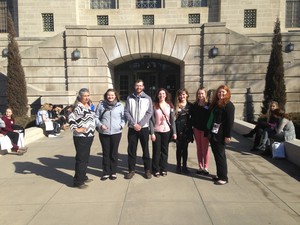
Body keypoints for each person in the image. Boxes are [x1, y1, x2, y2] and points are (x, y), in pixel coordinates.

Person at [124, 79, 153, 179]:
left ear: (143, 87)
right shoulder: (129, 98)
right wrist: (134, 123)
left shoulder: (148, 98)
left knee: (145, 150)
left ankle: (147, 170)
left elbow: (149, 112)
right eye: (137, 85)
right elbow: (126, 112)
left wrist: (140, 124)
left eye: (140, 86)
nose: (139, 87)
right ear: (134, 86)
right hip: (132, 128)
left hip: (144, 128)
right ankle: (131, 170)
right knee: (131, 150)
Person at [207, 85, 235, 185]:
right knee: (217, 155)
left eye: (223, 92)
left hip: (221, 134)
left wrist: (228, 135)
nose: (221, 94)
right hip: (213, 133)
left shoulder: (229, 105)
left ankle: (223, 178)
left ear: (227, 93)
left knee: (220, 156)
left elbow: (230, 122)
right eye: (219, 92)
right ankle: (219, 175)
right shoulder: (216, 104)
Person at [69, 88, 96, 189]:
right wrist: (76, 128)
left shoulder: (89, 105)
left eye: (88, 95)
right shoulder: (77, 107)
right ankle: (78, 182)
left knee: (85, 158)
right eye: (85, 96)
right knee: (81, 159)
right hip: (81, 137)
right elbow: (70, 117)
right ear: (80, 96)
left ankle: (82, 176)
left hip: (89, 135)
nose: (87, 97)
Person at [95, 89, 125, 181]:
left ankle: (113, 172)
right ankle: (106, 172)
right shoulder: (101, 105)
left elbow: (124, 118)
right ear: (106, 96)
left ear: (115, 96)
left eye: (112, 95)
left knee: (114, 153)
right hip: (104, 133)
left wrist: (121, 126)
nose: (110, 97)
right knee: (106, 153)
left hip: (116, 133)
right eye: (108, 95)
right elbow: (95, 117)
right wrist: (100, 125)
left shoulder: (120, 105)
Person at [149, 88, 176, 177]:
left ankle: (163, 169)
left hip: (167, 131)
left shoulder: (170, 106)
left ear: (166, 95)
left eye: (163, 94)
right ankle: (155, 169)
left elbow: (172, 121)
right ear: (157, 95)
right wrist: (152, 133)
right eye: (160, 94)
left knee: (165, 151)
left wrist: (174, 132)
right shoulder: (154, 106)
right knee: (156, 151)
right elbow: (151, 121)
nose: (161, 95)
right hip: (157, 131)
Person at [191, 87, 210, 175]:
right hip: (196, 129)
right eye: (199, 93)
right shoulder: (194, 105)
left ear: (205, 94)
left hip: (205, 130)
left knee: (205, 148)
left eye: (202, 93)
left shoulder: (209, 105)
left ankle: (206, 167)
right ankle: (200, 166)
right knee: (199, 147)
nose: (200, 95)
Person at [174, 88, 194, 174]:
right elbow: (173, 118)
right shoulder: (176, 105)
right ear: (178, 96)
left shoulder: (190, 106)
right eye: (180, 94)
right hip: (178, 129)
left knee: (185, 148)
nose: (182, 96)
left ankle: (184, 166)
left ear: (187, 95)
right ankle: (178, 166)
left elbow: (193, 118)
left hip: (187, 130)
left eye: (183, 94)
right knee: (178, 148)